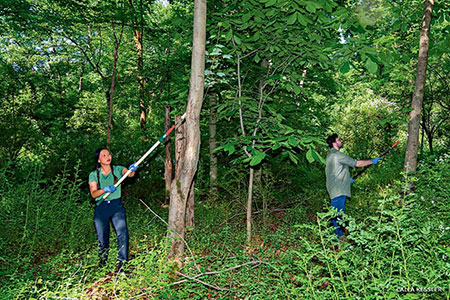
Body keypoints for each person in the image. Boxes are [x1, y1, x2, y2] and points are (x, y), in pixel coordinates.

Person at [88, 148, 139, 272]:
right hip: (101, 207)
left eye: (109, 154)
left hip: (116, 206)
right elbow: (94, 194)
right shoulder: (94, 174)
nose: (108, 156)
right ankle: (102, 264)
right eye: (104, 155)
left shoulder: (117, 169)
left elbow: (129, 174)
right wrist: (104, 190)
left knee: (122, 234)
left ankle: (123, 266)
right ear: (99, 160)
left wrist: (132, 170)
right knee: (102, 238)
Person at [325, 134, 380, 238]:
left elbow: (336, 171)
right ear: (334, 143)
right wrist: (371, 161)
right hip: (338, 190)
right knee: (338, 216)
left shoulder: (330, 155)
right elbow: (357, 163)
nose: (341, 141)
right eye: (339, 140)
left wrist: (346, 180)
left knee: (336, 214)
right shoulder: (337, 155)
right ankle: (336, 240)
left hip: (336, 188)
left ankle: (334, 238)